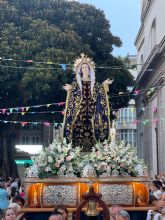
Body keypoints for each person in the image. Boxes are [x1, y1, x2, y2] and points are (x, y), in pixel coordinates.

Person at [63, 54, 113, 151]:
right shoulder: (76, 83)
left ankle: (96, 150)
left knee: (95, 127)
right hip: (79, 111)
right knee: (76, 126)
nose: (85, 69)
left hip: (92, 110)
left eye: (86, 67)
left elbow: (100, 91)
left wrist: (104, 85)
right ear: (80, 70)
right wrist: (69, 90)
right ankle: (75, 149)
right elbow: (73, 93)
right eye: (83, 67)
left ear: (90, 69)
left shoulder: (94, 83)